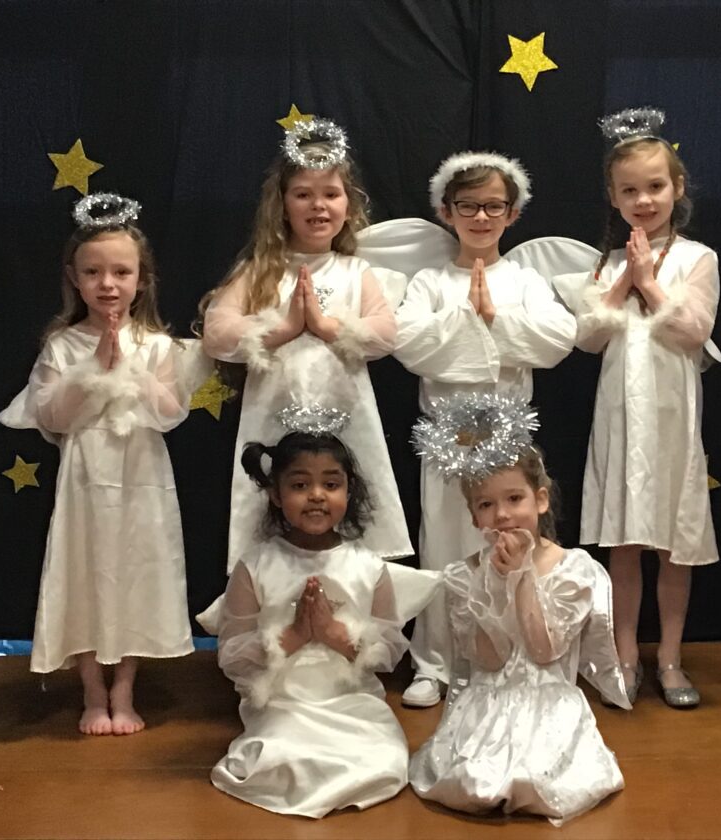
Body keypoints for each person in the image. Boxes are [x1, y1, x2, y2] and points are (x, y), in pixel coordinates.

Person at [0, 193, 195, 735]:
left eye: (121, 272)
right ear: (74, 278)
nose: (108, 284)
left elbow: (170, 412)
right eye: (93, 272)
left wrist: (128, 365)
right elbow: (51, 416)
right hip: (85, 480)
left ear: (142, 279)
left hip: (141, 479)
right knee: (83, 572)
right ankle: (91, 690)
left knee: (136, 572)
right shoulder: (62, 345)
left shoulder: (157, 345)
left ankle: (124, 689)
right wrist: (92, 369)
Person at [394, 151, 575, 707]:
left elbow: (558, 338)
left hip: (508, 432)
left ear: (512, 214)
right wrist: (462, 315)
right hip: (447, 435)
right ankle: (435, 661)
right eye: (468, 206)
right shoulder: (429, 281)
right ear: (446, 212)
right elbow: (409, 344)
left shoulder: (523, 280)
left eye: (494, 207)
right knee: (443, 542)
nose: (480, 217)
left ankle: (507, 655)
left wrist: (495, 317)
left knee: (507, 539)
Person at [200, 117, 411, 572]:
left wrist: (326, 325)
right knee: (276, 521)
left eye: (331, 194)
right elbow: (216, 333)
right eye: (303, 195)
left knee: (345, 520)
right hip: (273, 420)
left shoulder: (355, 272)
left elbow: (386, 333)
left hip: (346, 417)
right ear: (282, 205)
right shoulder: (260, 270)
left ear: (349, 206)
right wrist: (285, 329)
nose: (318, 205)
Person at [198, 428, 440, 816]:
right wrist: (295, 635)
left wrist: (333, 634)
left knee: (385, 759)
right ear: (277, 495)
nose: (316, 495)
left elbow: (388, 651)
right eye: (300, 485)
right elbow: (232, 655)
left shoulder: (367, 566)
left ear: (348, 491)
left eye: (330, 484)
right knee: (280, 758)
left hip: (351, 700)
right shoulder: (256, 564)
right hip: (284, 702)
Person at [409, 398, 628, 825]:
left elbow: (545, 651)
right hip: (489, 700)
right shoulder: (464, 575)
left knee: (535, 780)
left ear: (540, 500)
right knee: (474, 782)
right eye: (486, 505)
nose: (503, 515)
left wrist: (523, 577)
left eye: (514, 498)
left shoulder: (574, 569)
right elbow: (489, 660)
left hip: (549, 701)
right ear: (474, 516)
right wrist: (493, 583)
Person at [575, 108, 719, 707]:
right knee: (625, 541)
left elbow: (694, 331)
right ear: (613, 196)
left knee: (673, 541)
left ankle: (672, 658)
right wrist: (622, 281)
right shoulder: (604, 263)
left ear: (677, 188)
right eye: (629, 190)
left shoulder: (698, 257)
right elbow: (587, 337)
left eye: (655, 186)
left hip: (671, 417)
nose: (644, 200)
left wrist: (651, 283)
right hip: (619, 415)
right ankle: (626, 653)